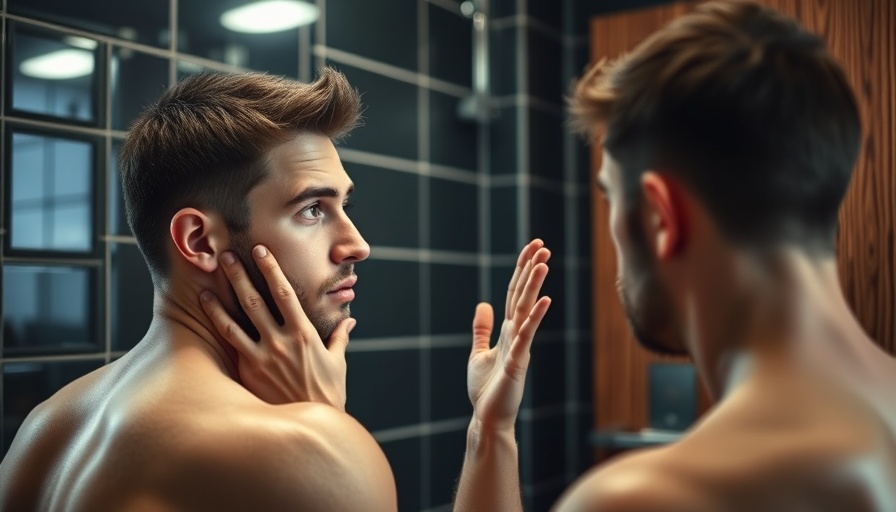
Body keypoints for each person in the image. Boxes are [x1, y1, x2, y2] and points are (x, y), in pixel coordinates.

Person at [197, 1, 896, 511]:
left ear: (658, 216)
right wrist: (492, 428)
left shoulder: (654, 498)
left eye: (608, 198)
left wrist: (320, 435)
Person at [0, 67, 553, 511]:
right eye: (312, 209)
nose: (357, 245)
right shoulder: (301, 451)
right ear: (199, 240)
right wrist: (325, 429)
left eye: (344, 207)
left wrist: (490, 426)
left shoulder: (47, 428)